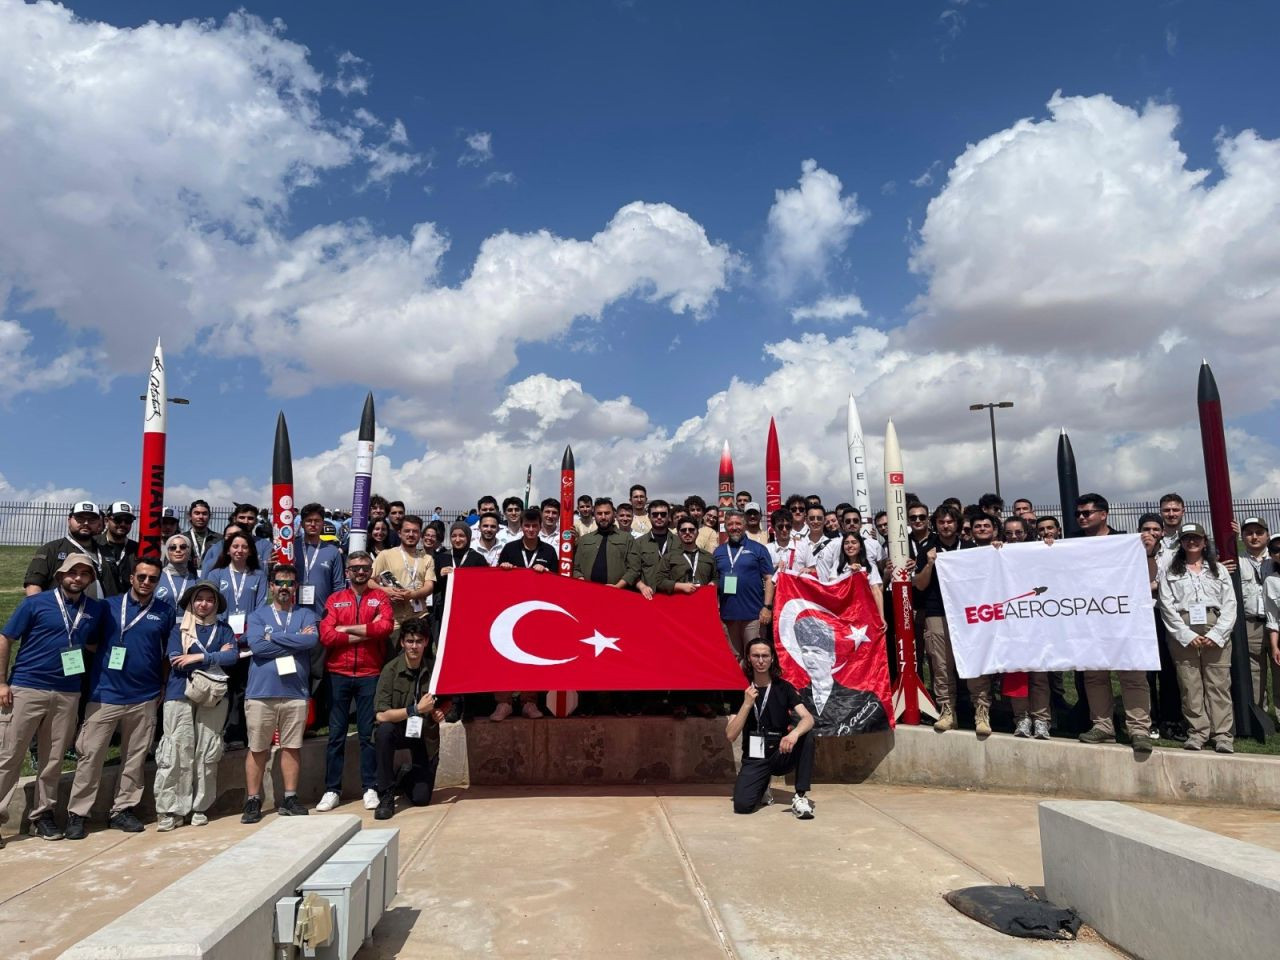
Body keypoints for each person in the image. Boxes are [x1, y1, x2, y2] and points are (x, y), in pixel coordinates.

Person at [64, 557, 176, 838]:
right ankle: (78, 813)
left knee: (134, 758)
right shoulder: (108, 607)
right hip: (106, 694)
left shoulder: (164, 611)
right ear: (131, 577)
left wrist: (161, 684)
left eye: (152, 578)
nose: (146, 582)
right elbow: (89, 641)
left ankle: (122, 810)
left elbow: (165, 653)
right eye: (142, 577)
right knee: (90, 756)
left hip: (145, 695)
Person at [0, 554, 109, 841]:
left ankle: (42, 815)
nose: (78, 578)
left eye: (85, 574)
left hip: (67, 692)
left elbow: (96, 644)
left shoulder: (94, 610)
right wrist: (1, 683)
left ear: (90, 580)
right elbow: (5, 638)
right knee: (10, 755)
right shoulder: (35, 603)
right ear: (61, 576)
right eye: (73, 573)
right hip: (27, 687)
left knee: (53, 758)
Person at [153, 581, 238, 830]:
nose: (204, 604)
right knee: (176, 750)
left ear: (216, 604)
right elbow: (176, 660)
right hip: (179, 693)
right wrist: (215, 656)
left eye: (209, 600)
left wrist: (200, 656)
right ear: (191, 602)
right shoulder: (178, 629)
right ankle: (171, 808)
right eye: (199, 599)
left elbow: (232, 657)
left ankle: (200, 806)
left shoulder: (223, 629)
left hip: (213, 695)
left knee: (207, 750)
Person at [1075, 493, 1154, 753]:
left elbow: (1149, 575)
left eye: (1087, 513)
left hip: (1123, 620)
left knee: (1132, 675)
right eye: (1079, 514)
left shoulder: (1126, 541)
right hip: (1088, 621)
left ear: (1104, 514)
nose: (1082, 518)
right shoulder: (1072, 544)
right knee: (1094, 676)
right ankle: (1103, 726)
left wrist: (1148, 550)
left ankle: (1139, 729)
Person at [317, 552, 395, 812]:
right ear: (347, 572)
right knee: (336, 736)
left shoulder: (380, 597)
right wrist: (365, 631)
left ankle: (370, 787)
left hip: (369, 674)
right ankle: (332, 790)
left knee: (367, 735)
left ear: (370, 570)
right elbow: (327, 636)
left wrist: (347, 629)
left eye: (364, 568)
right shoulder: (335, 599)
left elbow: (385, 628)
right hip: (338, 673)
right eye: (355, 568)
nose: (360, 572)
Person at [241, 564, 319, 822]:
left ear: (295, 587)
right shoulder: (257, 615)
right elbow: (256, 646)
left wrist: (273, 638)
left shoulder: (306, 615)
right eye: (279, 583)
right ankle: (253, 800)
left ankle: (290, 797)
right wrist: (293, 640)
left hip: (295, 692)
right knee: (257, 748)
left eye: (289, 583)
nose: (284, 588)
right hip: (261, 693)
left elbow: (311, 641)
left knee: (292, 747)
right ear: (271, 586)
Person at [1158, 523, 1237, 752]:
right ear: (1181, 543)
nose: (1191, 542)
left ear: (1204, 542)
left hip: (1215, 627)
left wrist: (1218, 633)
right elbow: (1167, 606)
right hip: (1184, 630)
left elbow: (1230, 603)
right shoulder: (1172, 572)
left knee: (1218, 684)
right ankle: (1197, 732)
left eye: (1196, 538)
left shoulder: (1218, 570)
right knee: (1190, 685)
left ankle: (1222, 734)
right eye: (1186, 539)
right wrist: (1185, 634)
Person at [725, 639, 816, 819]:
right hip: (754, 756)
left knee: (807, 736)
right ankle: (762, 784)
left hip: (780, 751)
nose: (760, 660)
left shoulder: (784, 688)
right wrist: (747, 704)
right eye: (756, 656)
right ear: (749, 659)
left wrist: (794, 734)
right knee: (742, 806)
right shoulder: (740, 690)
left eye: (765, 655)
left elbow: (808, 718)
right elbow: (730, 735)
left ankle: (800, 796)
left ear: (772, 658)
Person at [372, 618, 446, 819]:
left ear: (426, 643)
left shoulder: (433, 670)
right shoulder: (391, 670)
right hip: (398, 729)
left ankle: (404, 777)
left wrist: (439, 712)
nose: (414, 646)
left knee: (421, 799)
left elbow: (446, 700)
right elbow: (380, 714)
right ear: (403, 642)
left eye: (419, 641)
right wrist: (415, 709)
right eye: (410, 641)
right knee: (384, 731)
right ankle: (386, 793)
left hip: (423, 734)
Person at [912, 504, 968, 733]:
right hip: (937, 611)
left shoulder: (969, 546)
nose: (946, 526)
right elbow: (920, 584)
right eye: (941, 522)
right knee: (941, 665)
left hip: (966, 612)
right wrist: (930, 563)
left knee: (969, 663)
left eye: (950, 522)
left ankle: (979, 711)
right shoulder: (927, 548)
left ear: (957, 524)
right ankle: (947, 711)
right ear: (936, 524)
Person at [714, 510, 775, 668]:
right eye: (730, 524)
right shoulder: (719, 552)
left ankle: (757, 691)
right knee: (733, 659)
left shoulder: (758, 549)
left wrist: (767, 607)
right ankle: (737, 692)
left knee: (755, 658)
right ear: (725, 527)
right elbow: (713, 582)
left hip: (753, 615)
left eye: (738, 524)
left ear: (744, 525)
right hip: (728, 617)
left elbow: (769, 579)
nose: (734, 527)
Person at [372, 514, 437, 641]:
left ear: (420, 535)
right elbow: (369, 581)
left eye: (415, 531)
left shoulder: (427, 558)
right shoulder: (386, 555)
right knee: (393, 659)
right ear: (399, 533)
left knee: (422, 659)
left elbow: (429, 586)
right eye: (407, 531)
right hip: (394, 619)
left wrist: (412, 595)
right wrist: (386, 591)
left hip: (420, 617)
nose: (411, 534)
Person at [24, 501, 106, 599]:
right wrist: (41, 610)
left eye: (92, 520)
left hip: (103, 611)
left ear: (99, 524)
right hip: (61, 611)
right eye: (80, 518)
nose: (86, 523)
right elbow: (33, 584)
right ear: (69, 520)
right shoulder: (51, 549)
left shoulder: (107, 551)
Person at [1238, 517, 1277, 710]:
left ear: (1267, 535)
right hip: (1251, 622)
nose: (1254, 537)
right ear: (1242, 536)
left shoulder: (1276, 558)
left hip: (1276, 623)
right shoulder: (1235, 562)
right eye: (1249, 533)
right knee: (1254, 672)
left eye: (1259, 532)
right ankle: (1259, 714)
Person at [296, 503, 346, 614]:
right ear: (302, 524)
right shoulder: (291, 548)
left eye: (317, 521)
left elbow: (338, 586)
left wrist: (336, 613)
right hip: (293, 615)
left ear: (323, 524)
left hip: (322, 615)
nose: (313, 524)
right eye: (309, 521)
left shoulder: (333, 551)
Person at [98, 500, 139, 597]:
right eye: (118, 519)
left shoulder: (137, 548)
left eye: (128, 521)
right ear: (107, 521)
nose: (123, 524)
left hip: (128, 606)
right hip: (98, 605)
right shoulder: (94, 544)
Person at [156, 533, 197, 604]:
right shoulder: (155, 577)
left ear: (189, 551)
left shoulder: (197, 582)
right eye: (173, 547)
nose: (178, 550)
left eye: (183, 547)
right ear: (167, 552)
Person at [186, 500, 218, 568]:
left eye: (204, 513)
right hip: (187, 577)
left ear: (209, 516)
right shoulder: (181, 538)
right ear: (190, 516)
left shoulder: (219, 539)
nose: (201, 517)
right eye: (197, 513)